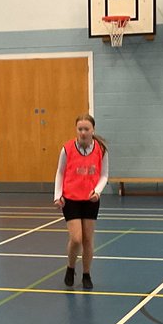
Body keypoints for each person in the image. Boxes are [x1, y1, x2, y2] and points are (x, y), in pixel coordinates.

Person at [53, 114, 109, 290]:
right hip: (71, 199)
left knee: (88, 240)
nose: (83, 132)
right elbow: (60, 172)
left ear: (93, 130)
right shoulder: (67, 149)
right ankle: (70, 268)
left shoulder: (101, 149)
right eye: (80, 129)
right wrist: (58, 194)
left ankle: (86, 274)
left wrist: (97, 191)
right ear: (76, 130)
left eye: (86, 129)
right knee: (76, 239)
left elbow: (104, 175)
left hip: (91, 199)